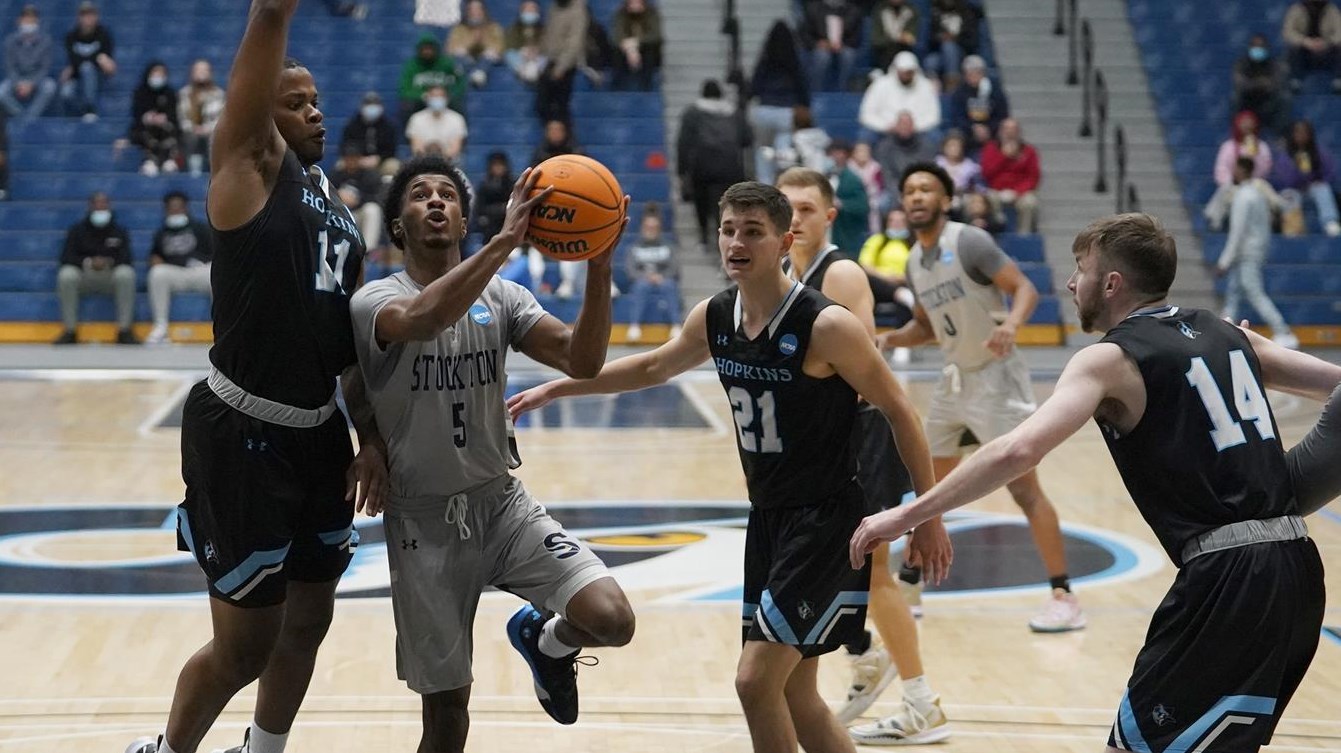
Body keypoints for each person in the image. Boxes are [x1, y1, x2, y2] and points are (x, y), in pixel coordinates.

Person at [851, 211, 1341, 753]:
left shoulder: (1109, 359)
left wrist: (907, 514)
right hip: (1298, 569)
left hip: (1227, 578)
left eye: (1079, 269)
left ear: (1111, 283)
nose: (1069, 282)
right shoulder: (1227, 332)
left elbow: (1018, 448)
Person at [507, 180, 949, 753]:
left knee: (753, 680)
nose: (736, 242)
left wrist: (927, 515)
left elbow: (900, 411)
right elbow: (653, 368)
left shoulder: (826, 324)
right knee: (796, 696)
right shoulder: (716, 315)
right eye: (727, 230)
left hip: (826, 522)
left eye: (752, 232)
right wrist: (561, 387)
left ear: (785, 241)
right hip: (768, 520)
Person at [124, 1, 385, 751]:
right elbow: (269, 14)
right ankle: (170, 750)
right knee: (244, 645)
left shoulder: (336, 213)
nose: (316, 112)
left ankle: (262, 750)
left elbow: (347, 349)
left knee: (309, 619)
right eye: (294, 101)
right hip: (241, 429)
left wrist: (367, 433)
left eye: (317, 102)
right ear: (257, 116)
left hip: (318, 432)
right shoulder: (248, 167)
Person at [348, 154, 632, 750]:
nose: (434, 201)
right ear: (399, 225)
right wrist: (506, 241)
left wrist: (599, 264)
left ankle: (545, 641)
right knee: (448, 717)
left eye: (447, 194)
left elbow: (584, 361)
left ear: (460, 217)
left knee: (611, 618)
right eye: (420, 194)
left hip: (502, 504)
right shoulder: (375, 300)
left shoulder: (502, 297)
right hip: (424, 521)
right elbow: (425, 319)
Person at [774, 168, 950, 744]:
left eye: (805, 208)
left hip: (861, 437)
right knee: (827, 567)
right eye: (786, 208)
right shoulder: (782, 275)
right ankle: (864, 651)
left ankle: (919, 698)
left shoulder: (841, 273)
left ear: (829, 216)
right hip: (815, 446)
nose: (794, 218)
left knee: (870, 569)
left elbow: (854, 372)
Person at [874, 162, 1085, 634]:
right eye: (909, 190)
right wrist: (888, 340)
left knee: (1024, 489)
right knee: (929, 488)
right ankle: (910, 587)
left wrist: (1011, 325)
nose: (916, 197)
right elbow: (927, 328)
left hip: (996, 377)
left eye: (926, 189)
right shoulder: (913, 260)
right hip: (956, 379)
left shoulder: (968, 242)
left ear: (945, 200)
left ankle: (1063, 595)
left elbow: (1024, 288)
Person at [1217, 156, 1299, 350]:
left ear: (1243, 171)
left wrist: (1223, 262)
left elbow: (1237, 231)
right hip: (1253, 250)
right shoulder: (1257, 194)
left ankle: (1283, 331)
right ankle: (1222, 331)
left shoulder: (1243, 197)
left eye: (1236, 169)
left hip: (1247, 253)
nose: (1233, 173)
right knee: (1234, 293)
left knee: (1253, 291)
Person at [677, 78, 751, 254]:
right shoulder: (735, 112)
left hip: (701, 166)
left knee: (701, 201)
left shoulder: (692, 113)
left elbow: (683, 144)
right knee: (728, 205)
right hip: (730, 166)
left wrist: (682, 172)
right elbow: (747, 139)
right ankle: (728, 239)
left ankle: (704, 238)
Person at [53, 191, 136, 345]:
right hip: (84, 274)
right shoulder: (77, 230)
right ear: (90, 207)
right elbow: (66, 257)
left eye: (104, 203)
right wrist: (88, 262)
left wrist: (108, 262)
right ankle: (70, 331)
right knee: (66, 275)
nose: (101, 207)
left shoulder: (120, 231)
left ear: (109, 207)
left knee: (127, 274)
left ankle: (124, 331)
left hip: (110, 275)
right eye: (97, 203)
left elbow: (127, 258)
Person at [145, 191, 213, 344]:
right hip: (176, 274)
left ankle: (221, 327)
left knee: (216, 272)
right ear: (166, 210)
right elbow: (155, 256)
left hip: (198, 272)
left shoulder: (200, 228)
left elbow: (214, 253)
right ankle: (160, 326)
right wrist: (155, 260)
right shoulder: (161, 233)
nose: (175, 211)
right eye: (172, 208)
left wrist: (198, 261)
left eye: (179, 208)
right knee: (157, 273)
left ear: (186, 208)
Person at [749, 20, 810, 185]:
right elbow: (802, 86)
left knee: (763, 150)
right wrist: (806, 105)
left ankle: (764, 185)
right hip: (786, 111)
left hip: (763, 110)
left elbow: (753, 86)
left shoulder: (765, 61)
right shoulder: (794, 62)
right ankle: (783, 186)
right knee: (783, 154)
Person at [1205, 111, 1275, 232]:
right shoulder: (1228, 146)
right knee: (1225, 189)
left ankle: (1269, 222)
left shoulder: (1262, 147)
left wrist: (1255, 154)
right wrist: (1233, 181)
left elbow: (1266, 170)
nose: (1247, 126)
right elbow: (1221, 169)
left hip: (1255, 184)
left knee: (1264, 191)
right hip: (1234, 184)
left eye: (1250, 123)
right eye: (1244, 123)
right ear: (1238, 124)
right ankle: (1215, 221)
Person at [1272, 119, 1341, 236]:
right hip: (1294, 189)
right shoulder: (1285, 155)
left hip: (1312, 188)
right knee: (1289, 195)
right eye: (1298, 133)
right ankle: (1292, 229)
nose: (1301, 136)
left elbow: (1330, 173)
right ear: (1293, 135)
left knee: (1322, 188)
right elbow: (1285, 180)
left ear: (1310, 135)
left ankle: (1330, 222)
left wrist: (1319, 180)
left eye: (1304, 132)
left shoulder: (1319, 152)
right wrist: (1298, 171)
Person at [624, 203, 681, 342]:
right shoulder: (634, 248)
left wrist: (661, 276)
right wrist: (646, 277)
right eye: (648, 227)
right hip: (642, 280)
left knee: (670, 286)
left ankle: (676, 325)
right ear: (642, 228)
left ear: (659, 228)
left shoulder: (668, 246)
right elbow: (630, 270)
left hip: (664, 279)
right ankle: (634, 326)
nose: (651, 230)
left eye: (654, 227)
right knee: (640, 287)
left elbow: (674, 267)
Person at [860, 51, 942, 138]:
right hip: (886, 128)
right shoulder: (880, 85)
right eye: (902, 72)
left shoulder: (926, 86)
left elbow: (934, 116)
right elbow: (866, 114)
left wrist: (913, 127)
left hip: (917, 130)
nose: (905, 75)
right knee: (866, 134)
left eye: (909, 72)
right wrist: (886, 126)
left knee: (935, 135)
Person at [980, 117, 1041, 232]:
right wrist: (1003, 157)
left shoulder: (1029, 151)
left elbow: (1033, 178)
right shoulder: (991, 148)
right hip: (996, 191)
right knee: (989, 197)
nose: (1010, 132)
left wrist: (1017, 192)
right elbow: (986, 174)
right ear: (1000, 131)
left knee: (1030, 202)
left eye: (1013, 129)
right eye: (1006, 129)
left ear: (1019, 132)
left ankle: (1024, 235)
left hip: (1019, 193)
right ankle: (997, 229)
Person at [59, 1, 115, 122]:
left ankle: (90, 109)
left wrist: (85, 61)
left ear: (96, 16)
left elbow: (108, 61)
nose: (88, 18)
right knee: (65, 93)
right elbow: (73, 59)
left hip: (98, 75)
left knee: (87, 68)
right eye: (84, 15)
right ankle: (80, 114)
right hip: (76, 75)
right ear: (79, 17)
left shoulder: (104, 34)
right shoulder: (71, 36)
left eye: (91, 14)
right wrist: (96, 57)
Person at [0, 5, 56, 123]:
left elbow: (44, 67)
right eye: (26, 20)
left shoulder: (46, 41)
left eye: (32, 20)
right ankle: (21, 116)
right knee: (2, 92)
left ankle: (31, 118)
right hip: (17, 78)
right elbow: (10, 67)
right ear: (19, 21)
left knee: (49, 87)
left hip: (37, 78)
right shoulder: (10, 42)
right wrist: (18, 83)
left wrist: (32, 84)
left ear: (37, 22)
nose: (29, 24)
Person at [535, 0, 587, 125]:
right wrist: (540, 53)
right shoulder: (553, 7)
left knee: (561, 106)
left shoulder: (578, 10)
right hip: (549, 60)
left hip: (566, 65)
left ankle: (567, 140)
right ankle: (555, 136)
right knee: (542, 105)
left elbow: (575, 42)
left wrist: (561, 67)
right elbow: (548, 33)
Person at [948, 55, 1009, 154]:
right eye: (970, 73)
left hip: (992, 131)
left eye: (977, 72)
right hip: (968, 132)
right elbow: (958, 116)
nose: (973, 76)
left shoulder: (995, 91)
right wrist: (973, 127)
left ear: (983, 73)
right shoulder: (959, 93)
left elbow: (1002, 114)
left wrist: (989, 128)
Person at [1233, 34, 1291, 138]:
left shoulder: (1275, 64)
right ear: (1250, 48)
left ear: (1266, 48)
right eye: (1255, 46)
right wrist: (1260, 83)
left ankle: (1280, 136)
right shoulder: (1241, 64)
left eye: (1261, 46)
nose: (1258, 49)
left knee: (1284, 98)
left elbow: (1276, 83)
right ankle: (1237, 135)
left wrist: (1254, 83)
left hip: (1268, 102)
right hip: (1248, 101)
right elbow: (1240, 84)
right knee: (1234, 97)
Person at [399, 34, 467, 122]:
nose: (427, 51)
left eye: (430, 48)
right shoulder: (411, 65)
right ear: (419, 50)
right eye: (424, 49)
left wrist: (449, 95)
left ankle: (460, 132)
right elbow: (404, 90)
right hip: (421, 100)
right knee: (407, 105)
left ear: (436, 49)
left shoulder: (448, 63)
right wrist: (423, 95)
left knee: (458, 105)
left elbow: (461, 82)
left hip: (445, 99)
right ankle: (410, 134)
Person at [129, 60, 181, 175]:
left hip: (165, 129)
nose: (158, 76)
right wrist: (147, 118)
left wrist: (164, 118)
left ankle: (168, 160)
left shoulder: (170, 93)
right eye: (155, 73)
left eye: (161, 74)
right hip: (145, 130)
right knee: (144, 132)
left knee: (171, 130)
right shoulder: (140, 92)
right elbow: (136, 115)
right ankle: (149, 161)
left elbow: (174, 114)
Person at [800, 0, 863, 92]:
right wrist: (817, 43)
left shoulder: (853, 10)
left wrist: (843, 44)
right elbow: (804, 34)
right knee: (822, 57)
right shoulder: (812, 8)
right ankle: (816, 93)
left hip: (844, 45)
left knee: (849, 56)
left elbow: (857, 37)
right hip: (821, 45)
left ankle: (843, 92)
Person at [177, 59, 225, 176]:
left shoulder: (219, 94)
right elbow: (181, 118)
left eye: (205, 70)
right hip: (190, 133)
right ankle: (194, 171)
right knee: (191, 138)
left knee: (215, 139)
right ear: (192, 73)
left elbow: (221, 118)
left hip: (211, 132)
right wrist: (193, 128)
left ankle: (215, 170)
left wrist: (207, 129)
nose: (201, 73)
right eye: (198, 70)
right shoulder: (184, 94)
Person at [1283, 0, 1341, 93]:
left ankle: (1338, 81)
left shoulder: (1332, 10)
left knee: (1339, 48)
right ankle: (1295, 81)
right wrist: (1306, 42)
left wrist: (1326, 42)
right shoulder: (1296, 9)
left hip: (1326, 51)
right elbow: (1288, 32)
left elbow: (1339, 32)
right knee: (1293, 48)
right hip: (1304, 52)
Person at [339, 91, 400, 179]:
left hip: (381, 161)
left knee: (394, 165)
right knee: (340, 165)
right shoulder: (352, 126)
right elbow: (344, 146)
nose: (372, 108)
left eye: (375, 104)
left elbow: (392, 150)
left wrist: (379, 158)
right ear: (362, 107)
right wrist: (359, 159)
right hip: (357, 160)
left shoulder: (389, 126)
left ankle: (389, 190)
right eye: (368, 104)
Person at [826, 140, 871, 256]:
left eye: (839, 153)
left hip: (846, 232)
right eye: (833, 153)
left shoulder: (853, 179)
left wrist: (841, 204)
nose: (835, 156)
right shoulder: (827, 174)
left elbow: (863, 206)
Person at [448, 0, 505, 88]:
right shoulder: (459, 29)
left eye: (478, 9)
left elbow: (499, 47)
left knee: (491, 52)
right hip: (466, 59)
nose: (475, 12)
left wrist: (482, 41)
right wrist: (472, 41)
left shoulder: (494, 27)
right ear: (467, 12)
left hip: (487, 59)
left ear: (483, 11)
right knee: (458, 52)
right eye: (472, 9)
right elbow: (450, 49)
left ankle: (479, 72)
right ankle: (468, 72)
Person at [925, 0, 980, 89]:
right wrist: (941, 38)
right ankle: (933, 92)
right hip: (941, 52)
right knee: (930, 61)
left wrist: (955, 39)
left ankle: (952, 85)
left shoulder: (967, 13)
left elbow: (971, 41)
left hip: (962, 52)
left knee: (949, 47)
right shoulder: (936, 13)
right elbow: (931, 39)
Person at [610, 0, 662, 91]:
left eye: (638, 2)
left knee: (651, 50)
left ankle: (646, 85)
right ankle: (618, 85)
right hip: (626, 49)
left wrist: (636, 42)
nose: (635, 5)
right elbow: (617, 36)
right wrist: (631, 50)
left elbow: (656, 35)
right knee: (616, 50)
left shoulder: (652, 12)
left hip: (646, 47)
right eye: (632, 3)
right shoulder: (620, 13)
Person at [405, 84, 468, 158]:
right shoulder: (416, 118)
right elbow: (417, 148)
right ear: (427, 98)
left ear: (446, 98)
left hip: (450, 162)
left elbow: (455, 149)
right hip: (422, 162)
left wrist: (439, 161)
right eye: (434, 96)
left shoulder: (457, 119)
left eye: (440, 96)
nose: (437, 99)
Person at [473, 151, 513, 245]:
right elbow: (479, 209)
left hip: (508, 225)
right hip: (490, 229)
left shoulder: (512, 184)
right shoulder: (484, 186)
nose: (498, 168)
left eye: (500, 165)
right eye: (495, 165)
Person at [869, 0, 920, 73]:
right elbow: (876, 40)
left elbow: (911, 38)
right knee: (891, 48)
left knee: (900, 50)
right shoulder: (880, 10)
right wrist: (897, 37)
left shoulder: (911, 11)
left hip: (904, 50)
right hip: (882, 51)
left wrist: (903, 38)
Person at [504, 0, 547, 85]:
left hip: (537, 57)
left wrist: (537, 50)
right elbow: (510, 45)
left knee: (548, 56)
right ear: (521, 11)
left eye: (532, 9)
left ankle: (534, 71)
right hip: (521, 57)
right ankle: (523, 71)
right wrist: (523, 51)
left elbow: (548, 45)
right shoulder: (513, 29)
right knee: (509, 54)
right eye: (527, 9)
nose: (530, 11)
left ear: (537, 11)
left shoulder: (544, 30)